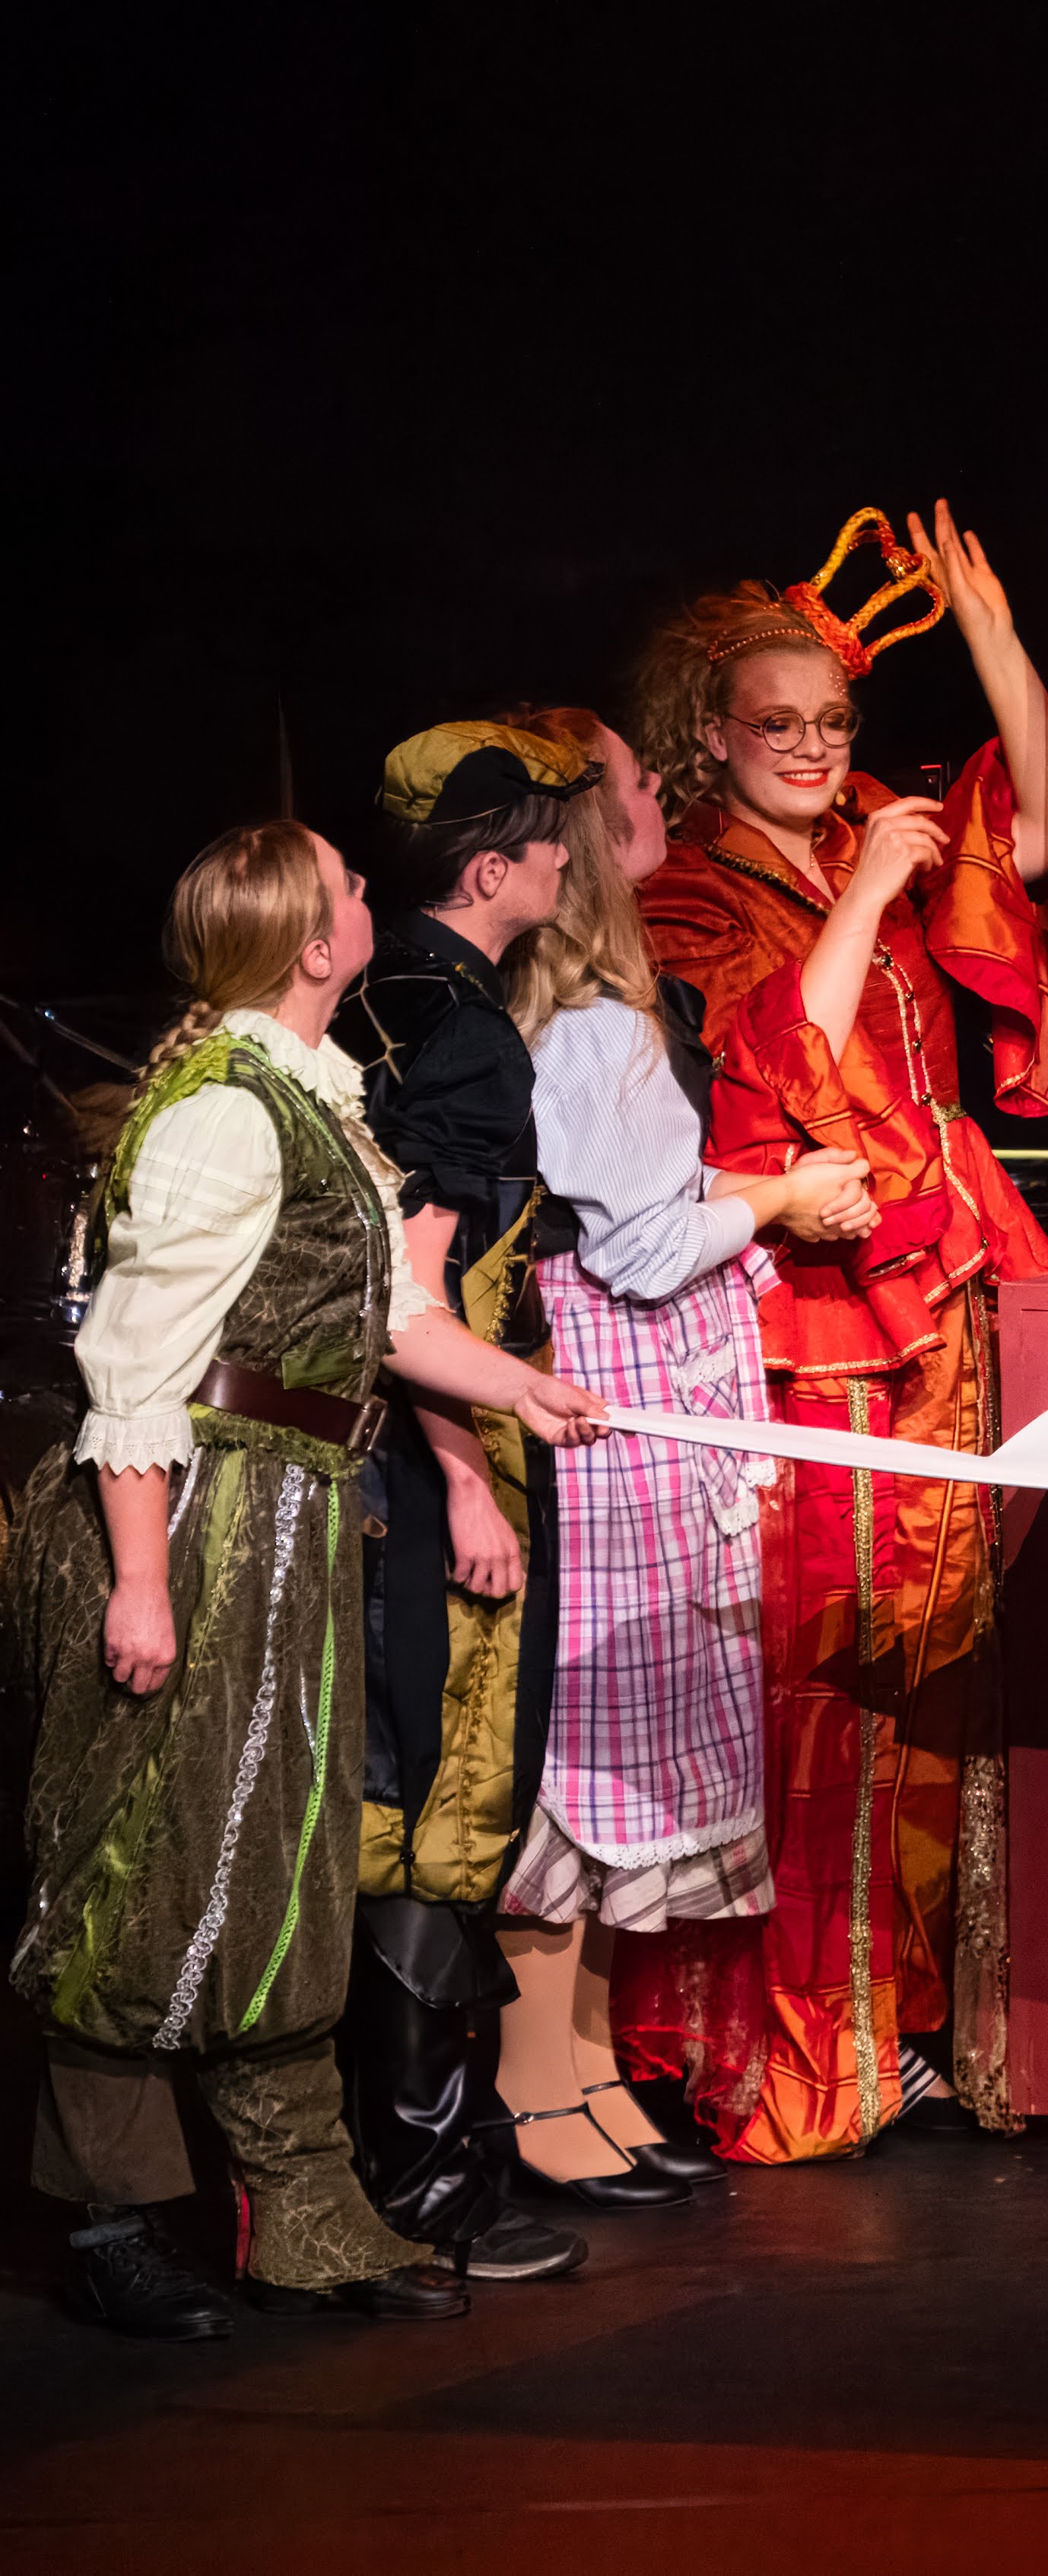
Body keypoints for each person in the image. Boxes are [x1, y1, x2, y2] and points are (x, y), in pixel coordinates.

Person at [4, 820, 606, 2340]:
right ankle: (112, 2218)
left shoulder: (310, 1096)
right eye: (348, 886)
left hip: (296, 1518)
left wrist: (522, 1392)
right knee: (141, 1868)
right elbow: (134, 1363)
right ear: (314, 943)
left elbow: (394, 1318)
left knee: (279, 1870)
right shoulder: (225, 1110)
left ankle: (307, 2214)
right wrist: (141, 1582)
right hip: (198, 1514)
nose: (368, 896)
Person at [630, 501, 1048, 2161]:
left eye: (831, 724)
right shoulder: (681, 890)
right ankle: (804, 2050)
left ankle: (905, 2019)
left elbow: (1038, 842)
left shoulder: (876, 820)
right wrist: (867, 892)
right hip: (816, 1316)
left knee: (935, 1666)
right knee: (828, 1677)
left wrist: (994, 636)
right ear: (711, 740)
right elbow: (766, 1067)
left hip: (938, 1284)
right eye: (777, 728)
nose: (814, 752)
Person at [489, 706, 879, 2206]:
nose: (663, 794)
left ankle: (588, 2070)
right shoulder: (590, 1024)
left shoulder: (611, 1003)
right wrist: (774, 1204)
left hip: (644, 1396)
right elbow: (642, 1246)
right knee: (590, 1758)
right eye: (640, 784)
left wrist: (756, 1189)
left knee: (635, 1746)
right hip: (616, 1402)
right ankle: (533, 2087)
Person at [332, 722, 607, 2279]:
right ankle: (421, 2185)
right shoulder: (464, 1033)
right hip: (438, 1447)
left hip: (371, 1444)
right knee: (442, 1792)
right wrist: (464, 1475)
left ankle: (413, 2164)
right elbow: (413, 1288)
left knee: (396, 1778)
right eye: (546, 843)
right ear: (492, 870)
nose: (569, 862)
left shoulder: (369, 993)